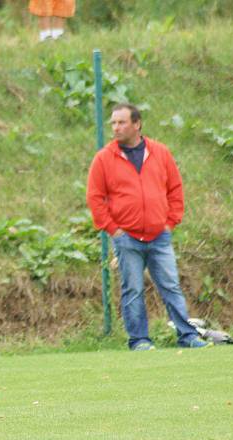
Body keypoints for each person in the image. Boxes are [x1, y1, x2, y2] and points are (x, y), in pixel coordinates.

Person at [86, 103, 209, 351]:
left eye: (121, 122)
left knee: (171, 287)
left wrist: (170, 223)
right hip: (126, 237)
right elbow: (95, 197)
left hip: (159, 236)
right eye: (113, 123)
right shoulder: (104, 158)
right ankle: (139, 340)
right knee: (132, 289)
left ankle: (188, 336)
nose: (116, 128)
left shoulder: (160, 153)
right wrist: (113, 229)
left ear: (137, 124)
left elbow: (175, 189)